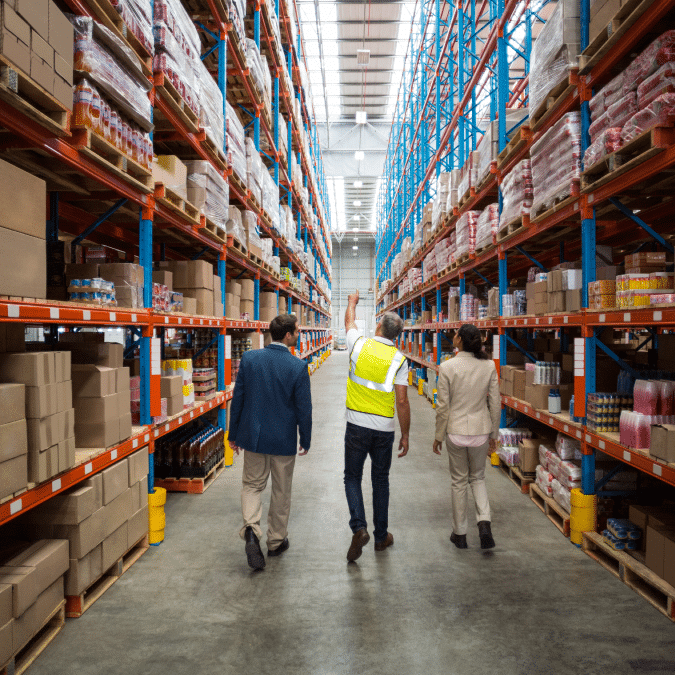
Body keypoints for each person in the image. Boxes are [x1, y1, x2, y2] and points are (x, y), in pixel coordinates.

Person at [229, 314, 312, 571]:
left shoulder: (250, 359)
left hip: (254, 438)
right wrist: (305, 438)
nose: (298, 334)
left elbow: (238, 398)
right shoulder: (297, 366)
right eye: (296, 331)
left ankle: (252, 530)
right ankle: (276, 542)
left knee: (252, 485)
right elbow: (304, 409)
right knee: (281, 490)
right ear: (287, 335)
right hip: (283, 440)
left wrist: (233, 434)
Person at [343, 290, 410, 561]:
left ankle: (359, 527)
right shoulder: (399, 359)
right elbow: (402, 402)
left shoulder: (359, 344)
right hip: (384, 429)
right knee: (380, 480)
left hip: (356, 425)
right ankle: (381, 537)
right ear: (397, 336)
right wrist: (405, 434)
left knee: (352, 477)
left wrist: (351, 303)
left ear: (378, 327)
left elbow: (349, 323)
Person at [433, 323, 500, 549]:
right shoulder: (489, 366)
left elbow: (443, 406)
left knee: (459, 481)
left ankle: (460, 534)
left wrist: (438, 436)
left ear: (460, 340)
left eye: (455, 334)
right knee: (478, 478)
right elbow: (495, 403)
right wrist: (494, 433)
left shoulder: (447, 367)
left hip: (456, 431)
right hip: (480, 431)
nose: (453, 336)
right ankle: (484, 523)